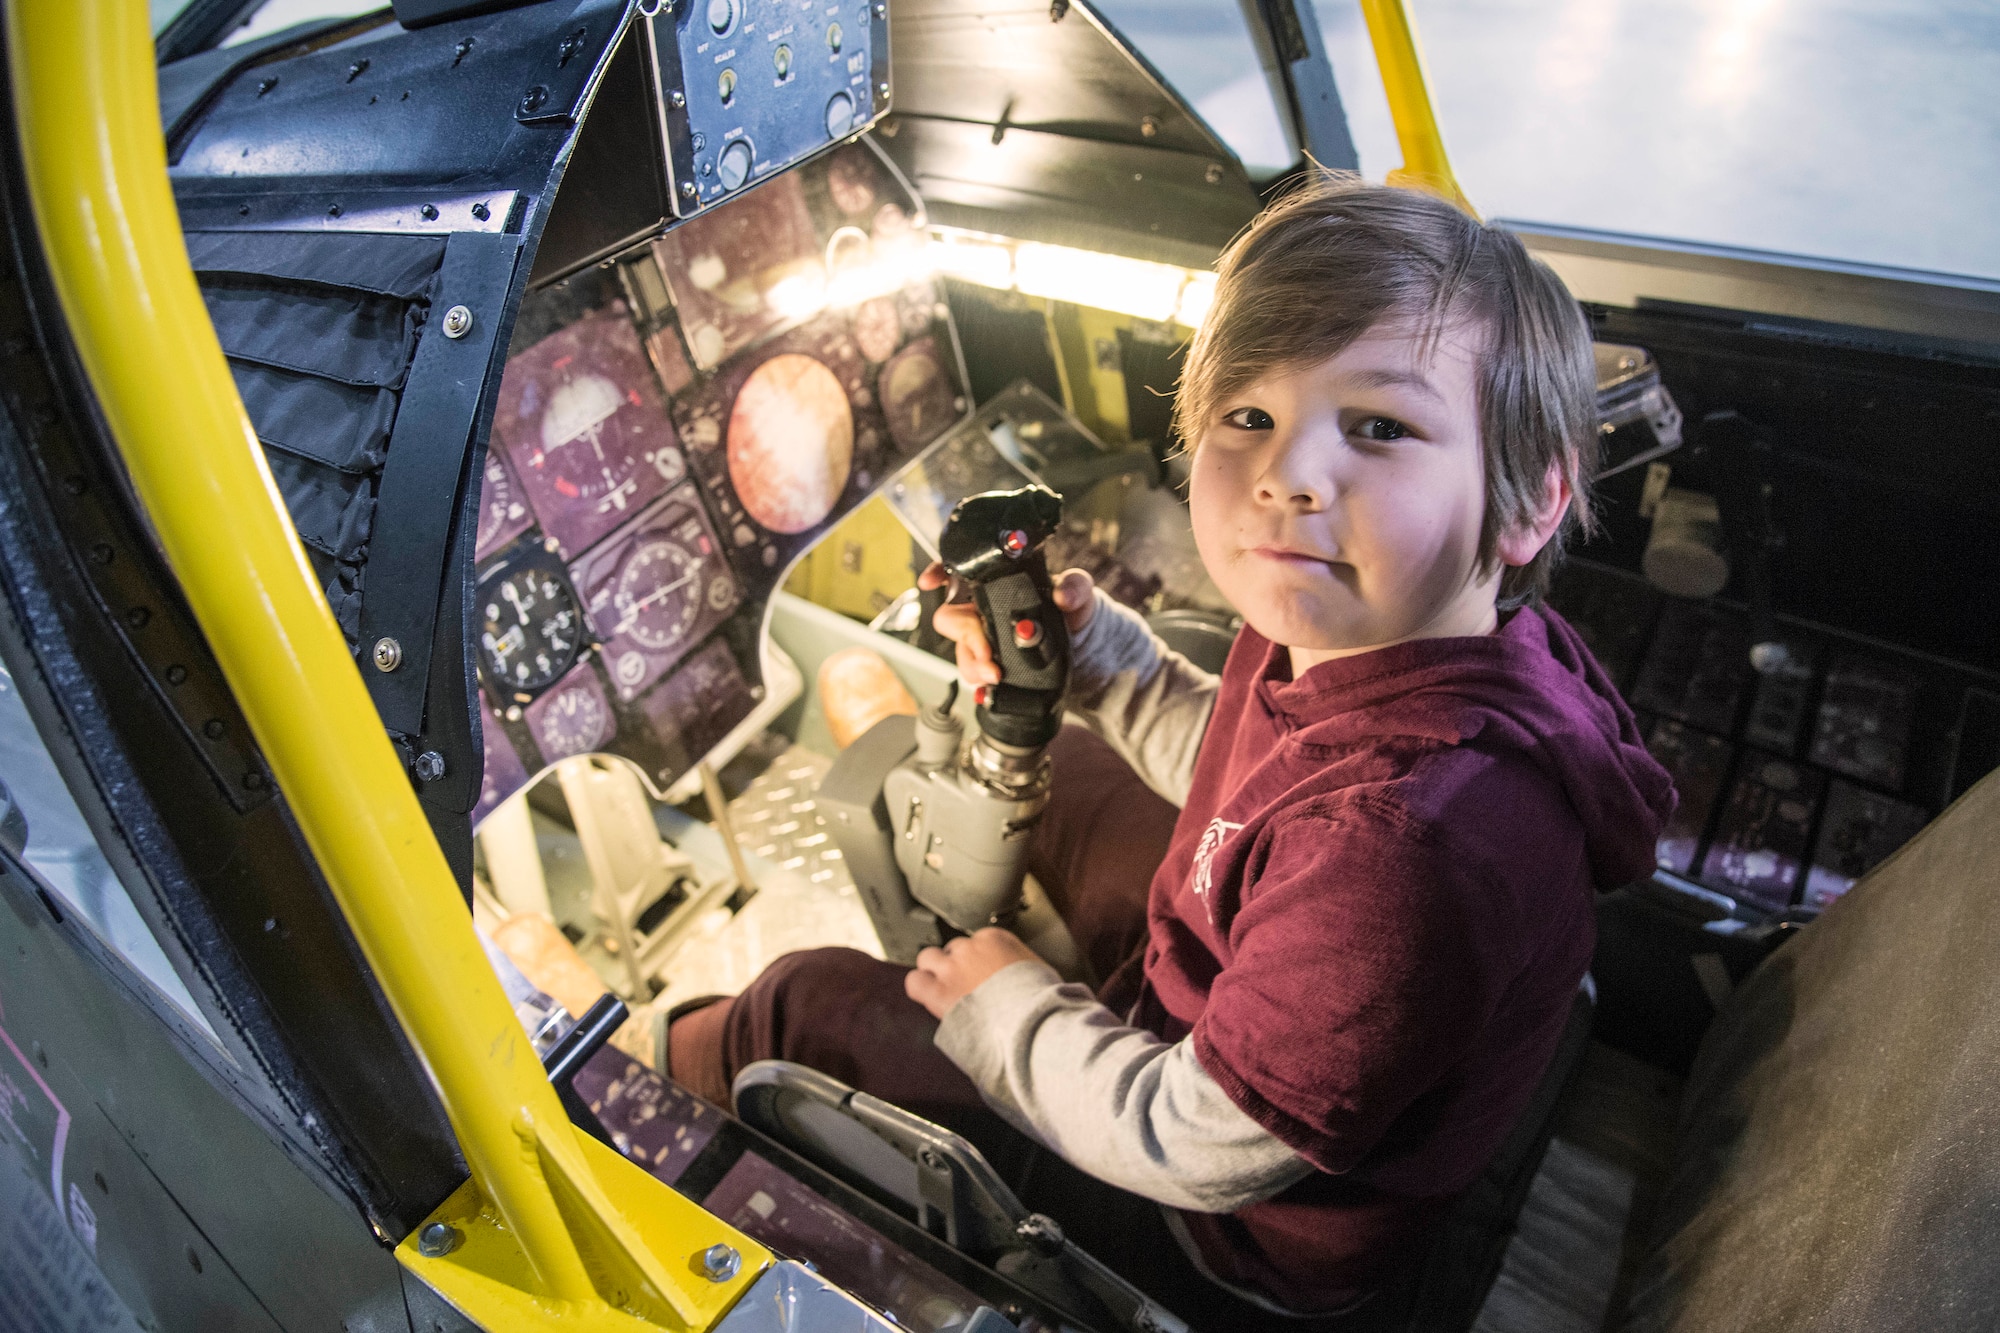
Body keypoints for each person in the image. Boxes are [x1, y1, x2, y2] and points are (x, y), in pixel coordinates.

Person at [669, 173, 1675, 1326]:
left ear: (1526, 505)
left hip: (1229, 1232)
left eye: (1379, 427)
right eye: (1247, 414)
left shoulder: (1403, 854)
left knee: (800, 1007)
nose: (1283, 474)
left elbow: (1188, 1140)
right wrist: (1108, 661)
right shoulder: (1390, 634)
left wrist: (1009, 1014)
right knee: (1074, 772)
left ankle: (637, 1069)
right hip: (1244, 997)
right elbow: (1251, 762)